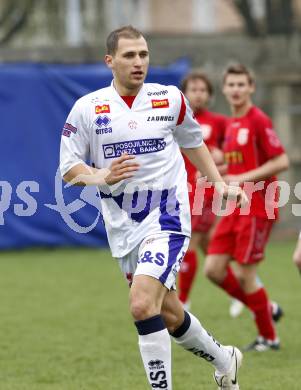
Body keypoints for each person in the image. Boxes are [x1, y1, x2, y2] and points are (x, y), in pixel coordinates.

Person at [60, 26, 248, 389]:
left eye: (144, 54)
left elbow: (193, 142)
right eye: (129, 55)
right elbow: (68, 168)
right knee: (168, 312)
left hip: (167, 215)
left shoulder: (170, 99)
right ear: (110, 61)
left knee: (141, 304)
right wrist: (101, 176)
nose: (139, 62)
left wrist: (220, 183)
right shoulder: (87, 108)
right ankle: (226, 361)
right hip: (122, 225)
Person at [204, 64, 289, 352]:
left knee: (245, 274)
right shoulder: (230, 125)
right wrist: (219, 169)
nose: (237, 90)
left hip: (259, 204)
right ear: (225, 89)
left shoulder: (258, 120)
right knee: (214, 269)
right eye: (232, 85)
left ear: (251, 87)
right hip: (235, 205)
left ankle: (269, 337)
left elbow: (281, 161)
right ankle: (267, 306)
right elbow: (238, 163)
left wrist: (240, 177)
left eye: (242, 84)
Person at [177, 71, 227, 310]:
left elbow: (238, 155)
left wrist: (223, 157)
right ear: (184, 94)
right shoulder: (174, 121)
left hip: (204, 194)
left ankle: (183, 301)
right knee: (210, 248)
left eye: (202, 90)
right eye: (193, 89)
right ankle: (246, 290)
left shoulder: (219, 123)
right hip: (180, 191)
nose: (198, 94)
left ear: (209, 95)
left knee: (190, 243)